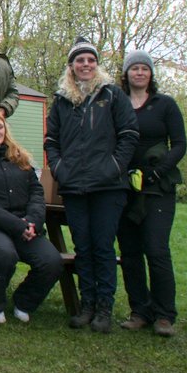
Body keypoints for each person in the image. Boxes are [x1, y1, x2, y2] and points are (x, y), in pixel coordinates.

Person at [45, 37, 139, 333]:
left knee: (103, 247)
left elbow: (129, 134)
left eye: (90, 60)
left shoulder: (112, 95)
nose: (85, 65)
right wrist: (59, 169)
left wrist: (114, 167)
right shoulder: (62, 100)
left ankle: (104, 308)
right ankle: (86, 304)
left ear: (96, 64)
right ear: (71, 66)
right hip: (73, 186)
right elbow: (51, 140)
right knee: (83, 247)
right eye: (80, 60)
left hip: (108, 187)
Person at [0, 109, 62, 324]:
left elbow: (36, 193)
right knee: (3, 254)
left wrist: (32, 221)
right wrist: (17, 225)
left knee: (52, 261)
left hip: (26, 226)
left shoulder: (21, 158)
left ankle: (24, 302)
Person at [116, 51, 187, 337]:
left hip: (158, 187)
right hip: (125, 186)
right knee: (130, 252)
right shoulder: (118, 104)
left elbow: (179, 144)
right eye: (134, 68)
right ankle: (139, 311)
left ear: (151, 74)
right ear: (126, 74)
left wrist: (158, 172)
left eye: (144, 68)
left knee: (156, 249)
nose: (140, 73)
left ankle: (164, 314)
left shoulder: (165, 104)